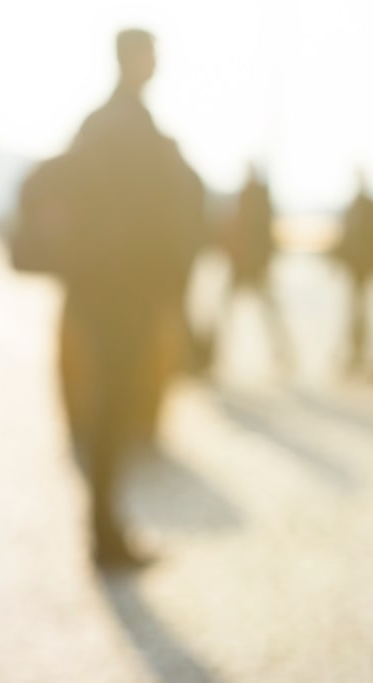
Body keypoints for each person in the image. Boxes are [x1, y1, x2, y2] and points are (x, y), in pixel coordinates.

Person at [57, 28, 206, 568]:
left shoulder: (96, 123)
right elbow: (165, 211)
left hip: (96, 288)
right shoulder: (134, 127)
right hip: (126, 292)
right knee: (117, 410)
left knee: (106, 408)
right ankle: (106, 535)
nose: (158, 64)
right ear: (138, 59)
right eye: (154, 55)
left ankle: (105, 528)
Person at [217, 164, 291, 372]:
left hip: (250, 264)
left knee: (265, 311)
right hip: (243, 263)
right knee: (234, 310)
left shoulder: (254, 198)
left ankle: (282, 352)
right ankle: (218, 354)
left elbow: (258, 233)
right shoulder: (252, 197)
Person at [335, 174, 373, 374]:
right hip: (355, 268)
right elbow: (346, 237)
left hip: (364, 268)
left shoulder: (367, 207)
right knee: (355, 314)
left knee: (360, 315)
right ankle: (355, 354)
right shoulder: (354, 207)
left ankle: (359, 355)